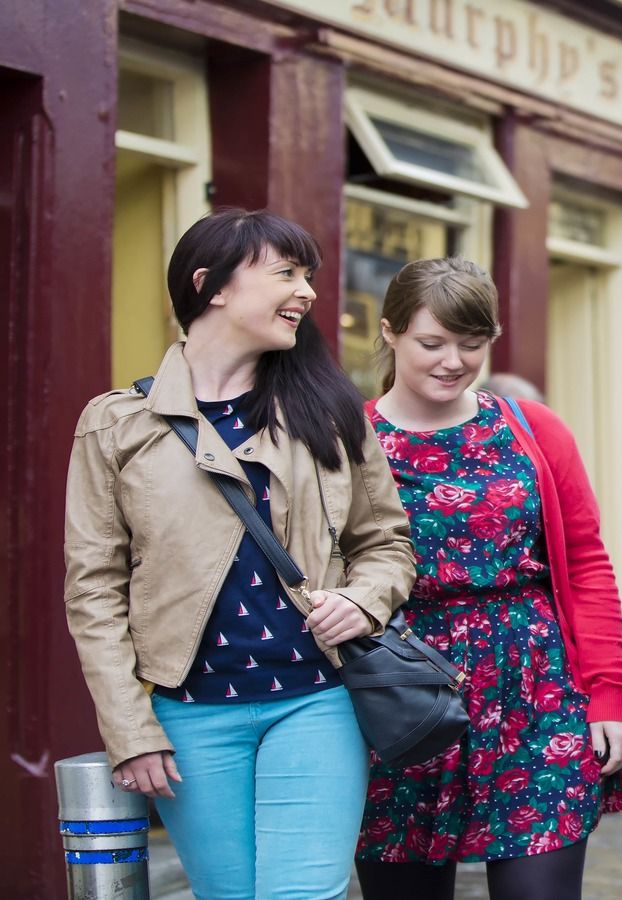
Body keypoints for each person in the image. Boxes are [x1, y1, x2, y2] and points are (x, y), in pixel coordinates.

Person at [62, 208, 417, 897]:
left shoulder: (330, 410)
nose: (308, 292)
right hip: (189, 716)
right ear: (212, 285)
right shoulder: (114, 423)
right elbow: (94, 589)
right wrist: (128, 728)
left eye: (308, 275)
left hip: (316, 702)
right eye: (286, 273)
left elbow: (385, 544)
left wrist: (363, 600)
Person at [354, 257, 622, 900]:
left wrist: (611, 692)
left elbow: (588, 563)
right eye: (432, 343)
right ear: (391, 332)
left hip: (535, 687)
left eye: (472, 344)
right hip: (403, 694)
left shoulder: (532, 429)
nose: (452, 361)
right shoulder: (350, 441)